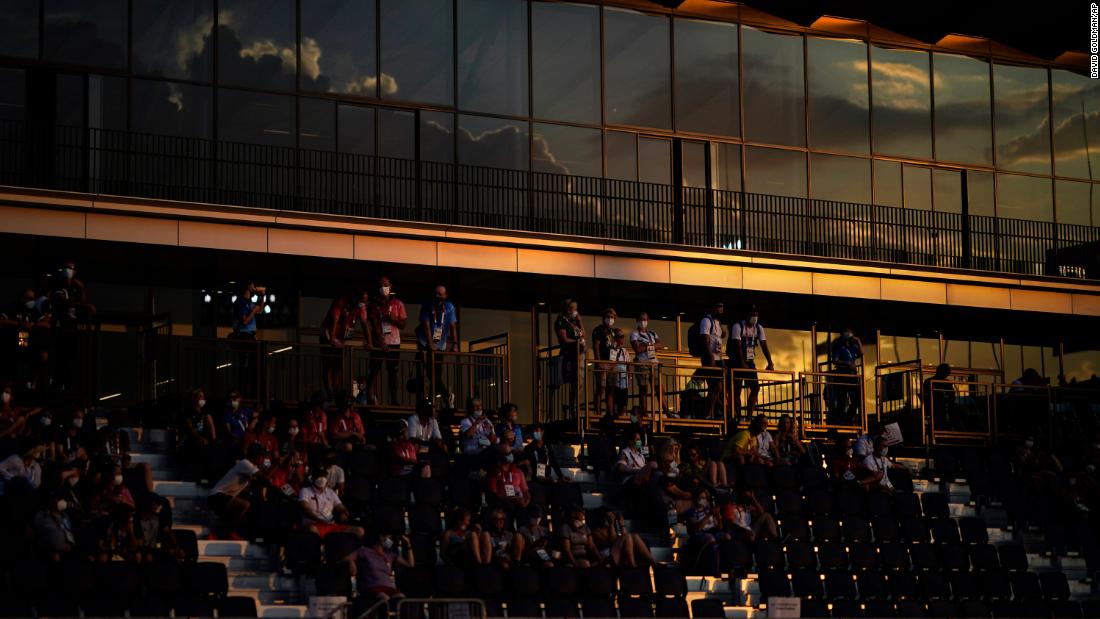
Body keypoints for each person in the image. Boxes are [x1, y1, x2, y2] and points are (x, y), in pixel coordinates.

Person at [208, 444, 270, 539]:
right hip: (216, 497)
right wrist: (277, 466)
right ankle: (229, 532)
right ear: (256, 456)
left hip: (223, 498)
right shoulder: (246, 464)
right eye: (262, 456)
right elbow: (264, 479)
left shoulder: (248, 468)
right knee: (244, 505)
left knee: (248, 507)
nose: (263, 459)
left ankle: (218, 534)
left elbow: (261, 482)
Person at [729, 305, 773, 421]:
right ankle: (738, 416)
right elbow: (737, 345)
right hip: (736, 362)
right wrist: (742, 362)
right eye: (752, 314)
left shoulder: (758, 328)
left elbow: (764, 345)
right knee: (736, 390)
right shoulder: (738, 326)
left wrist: (770, 362)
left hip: (750, 361)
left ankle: (748, 416)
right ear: (747, 315)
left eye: (756, 315)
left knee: (755, 388)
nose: (754, 317)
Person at [368, 276, 408, 406]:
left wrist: (394, 319)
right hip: (378, 343)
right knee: (374, 371)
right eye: (381, 285)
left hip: (394, 343)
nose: (383, 288)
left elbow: (403, 324)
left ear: (390, 286)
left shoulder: (398, 304)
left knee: (393, 372)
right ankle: (370, 396)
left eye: (385, 285)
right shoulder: (374, 304)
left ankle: (394, 399)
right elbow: (373, 324)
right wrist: (381, 342)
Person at [345, 531, 414, 603]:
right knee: (384, 598)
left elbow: (410, 564)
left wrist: (408, 544)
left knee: (402, 598)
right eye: (389, 538)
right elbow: (345, 559)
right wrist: (351, 561)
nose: (390, 541)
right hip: (371, 587)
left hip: (388, 587)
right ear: (381, 537)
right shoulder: (365, 551)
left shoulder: (390, 554)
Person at [416, 285, 458, 402]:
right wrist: (430, 343)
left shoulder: (449, 307)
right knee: (429, 372)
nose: (438, 296)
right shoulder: (427, 305)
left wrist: (455, 343)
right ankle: (445, 395)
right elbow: (426, 325)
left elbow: (453, 326)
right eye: (436, 293)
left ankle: (431, 399)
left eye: (440, 294)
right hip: (424, 342)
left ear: (446, 295)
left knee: (437, 373)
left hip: (440, 343)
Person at [299, 467, 363, 538]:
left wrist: (343, 512)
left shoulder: (331, 492)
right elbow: (305, 507)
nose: (322, 479)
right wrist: (319, 519)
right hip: (313, 524)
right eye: (319, 476)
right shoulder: (305, 491)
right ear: (313, 479)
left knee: (359, 530)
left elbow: (340, 507)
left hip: (330, 526)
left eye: (323, 476)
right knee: (312, 530)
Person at [229, 282, 265, 395]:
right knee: (244, 366)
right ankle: (243, 392)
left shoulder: (248, 302)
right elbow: (244, 321)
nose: (255, 288)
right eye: (253, 285)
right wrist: (253, 311)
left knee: (253, 366)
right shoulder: (240, 302)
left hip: (250, 337)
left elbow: (260, 309)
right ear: (248, 287)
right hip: (244, 336)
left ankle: (252, 392)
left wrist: (262, 296)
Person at [682, 488, 729, 576]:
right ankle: (713, 570)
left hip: (713, 532)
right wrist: (709, 514)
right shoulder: (690, 512)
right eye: (701, 498)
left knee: (727, 536)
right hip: (698, 534)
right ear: (695, 499)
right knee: (710, 538)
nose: (703, 500)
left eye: (704, 498)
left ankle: (727, 568)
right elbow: (698, 527)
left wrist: (719, 517)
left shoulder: (707, 509)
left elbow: (719, 527)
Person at [553, 299, 585, 414]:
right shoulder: (561, 321)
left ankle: (575, 405)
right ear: (567, 309)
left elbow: (583, 334)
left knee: (579, 382)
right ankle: (573, 408)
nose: (575, 311)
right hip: (570, 354)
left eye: (576, 309)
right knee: (574, 380)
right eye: (573, 309)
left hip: (579, 353)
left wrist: (580, 321)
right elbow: (564, 339)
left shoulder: (573, 321)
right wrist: (576, 342)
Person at [630, 312, 663, 415]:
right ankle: (644, 412)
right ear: (637, 321)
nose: (642, 322)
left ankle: (665, 410)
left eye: (644, 319)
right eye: (640, 319)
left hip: (654, 363)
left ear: (648, 321)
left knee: (659, 388)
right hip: (642, 363)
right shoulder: (634, 334)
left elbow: (660, 345)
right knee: (644, 389)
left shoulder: (652, 333)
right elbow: (637, 349)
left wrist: (647, 345)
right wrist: (652, 346)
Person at [319, 294, 352, 398]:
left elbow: (349, 330)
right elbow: (333, 324)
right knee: (328, 366)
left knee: (337, 367)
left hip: (339, 340)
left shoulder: (353, 311)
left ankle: (335, 391)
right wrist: (332, 340)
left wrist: (343, 340)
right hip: (328, 337)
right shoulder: (338, 307)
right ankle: (330, 392)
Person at [828, 328, 863, 423]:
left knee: (856, 400)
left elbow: (861, 353)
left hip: (852, 376)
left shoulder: (853, 346)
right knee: (842, 400)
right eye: (846, 332)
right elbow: (834, 360)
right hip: (842, 374)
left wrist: (858, 340)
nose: (848, 334)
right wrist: (847, 363)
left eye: (849, 332)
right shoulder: (839, 346)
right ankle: (840, 420)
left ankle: (848, 419)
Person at [699, 302, 726, 420]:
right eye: (719, 306)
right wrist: (710, 356)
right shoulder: (706, 320)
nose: (721, 309)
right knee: (715, 386)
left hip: (717, 357)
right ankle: (708, 413)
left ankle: (712, 412)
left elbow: (720, 337)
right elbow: (704, 338)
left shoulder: (717, 322)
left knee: (717, 387)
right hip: (710, 358)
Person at [591, 308, 619, 420]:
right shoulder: (598, 330)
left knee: (611, 388)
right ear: (603, 318)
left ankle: (610, 412)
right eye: (608, 317)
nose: (610, 319)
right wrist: (598, 361)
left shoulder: (613, 331)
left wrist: (615, 362)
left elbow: (615, 347)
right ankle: (597, 411)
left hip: (611, 363)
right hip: (602, 362)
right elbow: (596, 346)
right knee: (600, 388)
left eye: (612, 317)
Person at [922, 363, 959, 431]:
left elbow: (952, 394)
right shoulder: (929, 381)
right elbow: (926, 396)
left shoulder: (947, 383)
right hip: (935, 407)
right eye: (946, 373)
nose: (947, 375)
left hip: (944, 407)